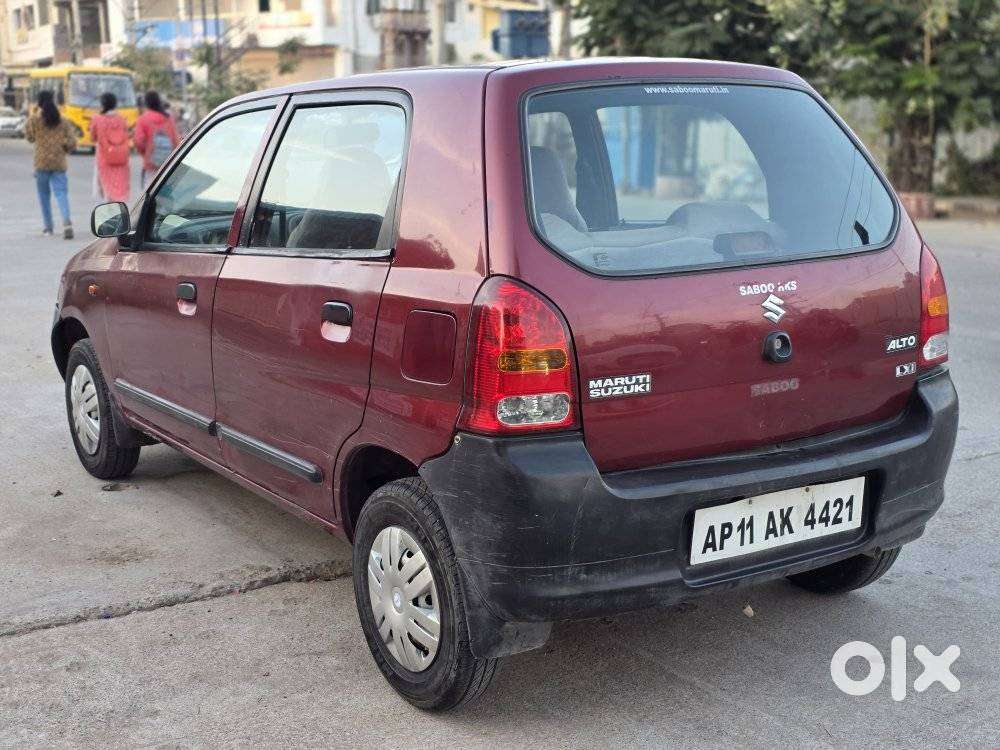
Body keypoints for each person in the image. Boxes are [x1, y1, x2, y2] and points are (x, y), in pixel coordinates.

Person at [24, 90, 77, 238]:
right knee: (61, 194)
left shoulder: (34, 119)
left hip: (41, 163)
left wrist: (34, 113)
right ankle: (67, 223)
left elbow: (29, 137)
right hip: (59, 163)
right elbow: (73, 142)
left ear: (39, 102)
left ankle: (48, 228)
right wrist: (64, 146)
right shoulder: (63, 120)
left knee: (44, 196)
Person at [89, 92, 131, 203]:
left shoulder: (97, 119)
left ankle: (109, 211)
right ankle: (120, 208)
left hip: (104, 157)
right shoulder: (122, 119)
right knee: (119, 186)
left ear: (102, 104)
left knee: (106, 186)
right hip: (121, 156)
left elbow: (92, 137)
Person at [134, 90, 179, 188]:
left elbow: (139, 142)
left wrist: (146, 154)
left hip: (151, 164)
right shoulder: (168, 118)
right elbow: (176, 140)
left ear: (146, 103)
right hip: (168, 163)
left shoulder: (142, 119)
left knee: (150, 194)